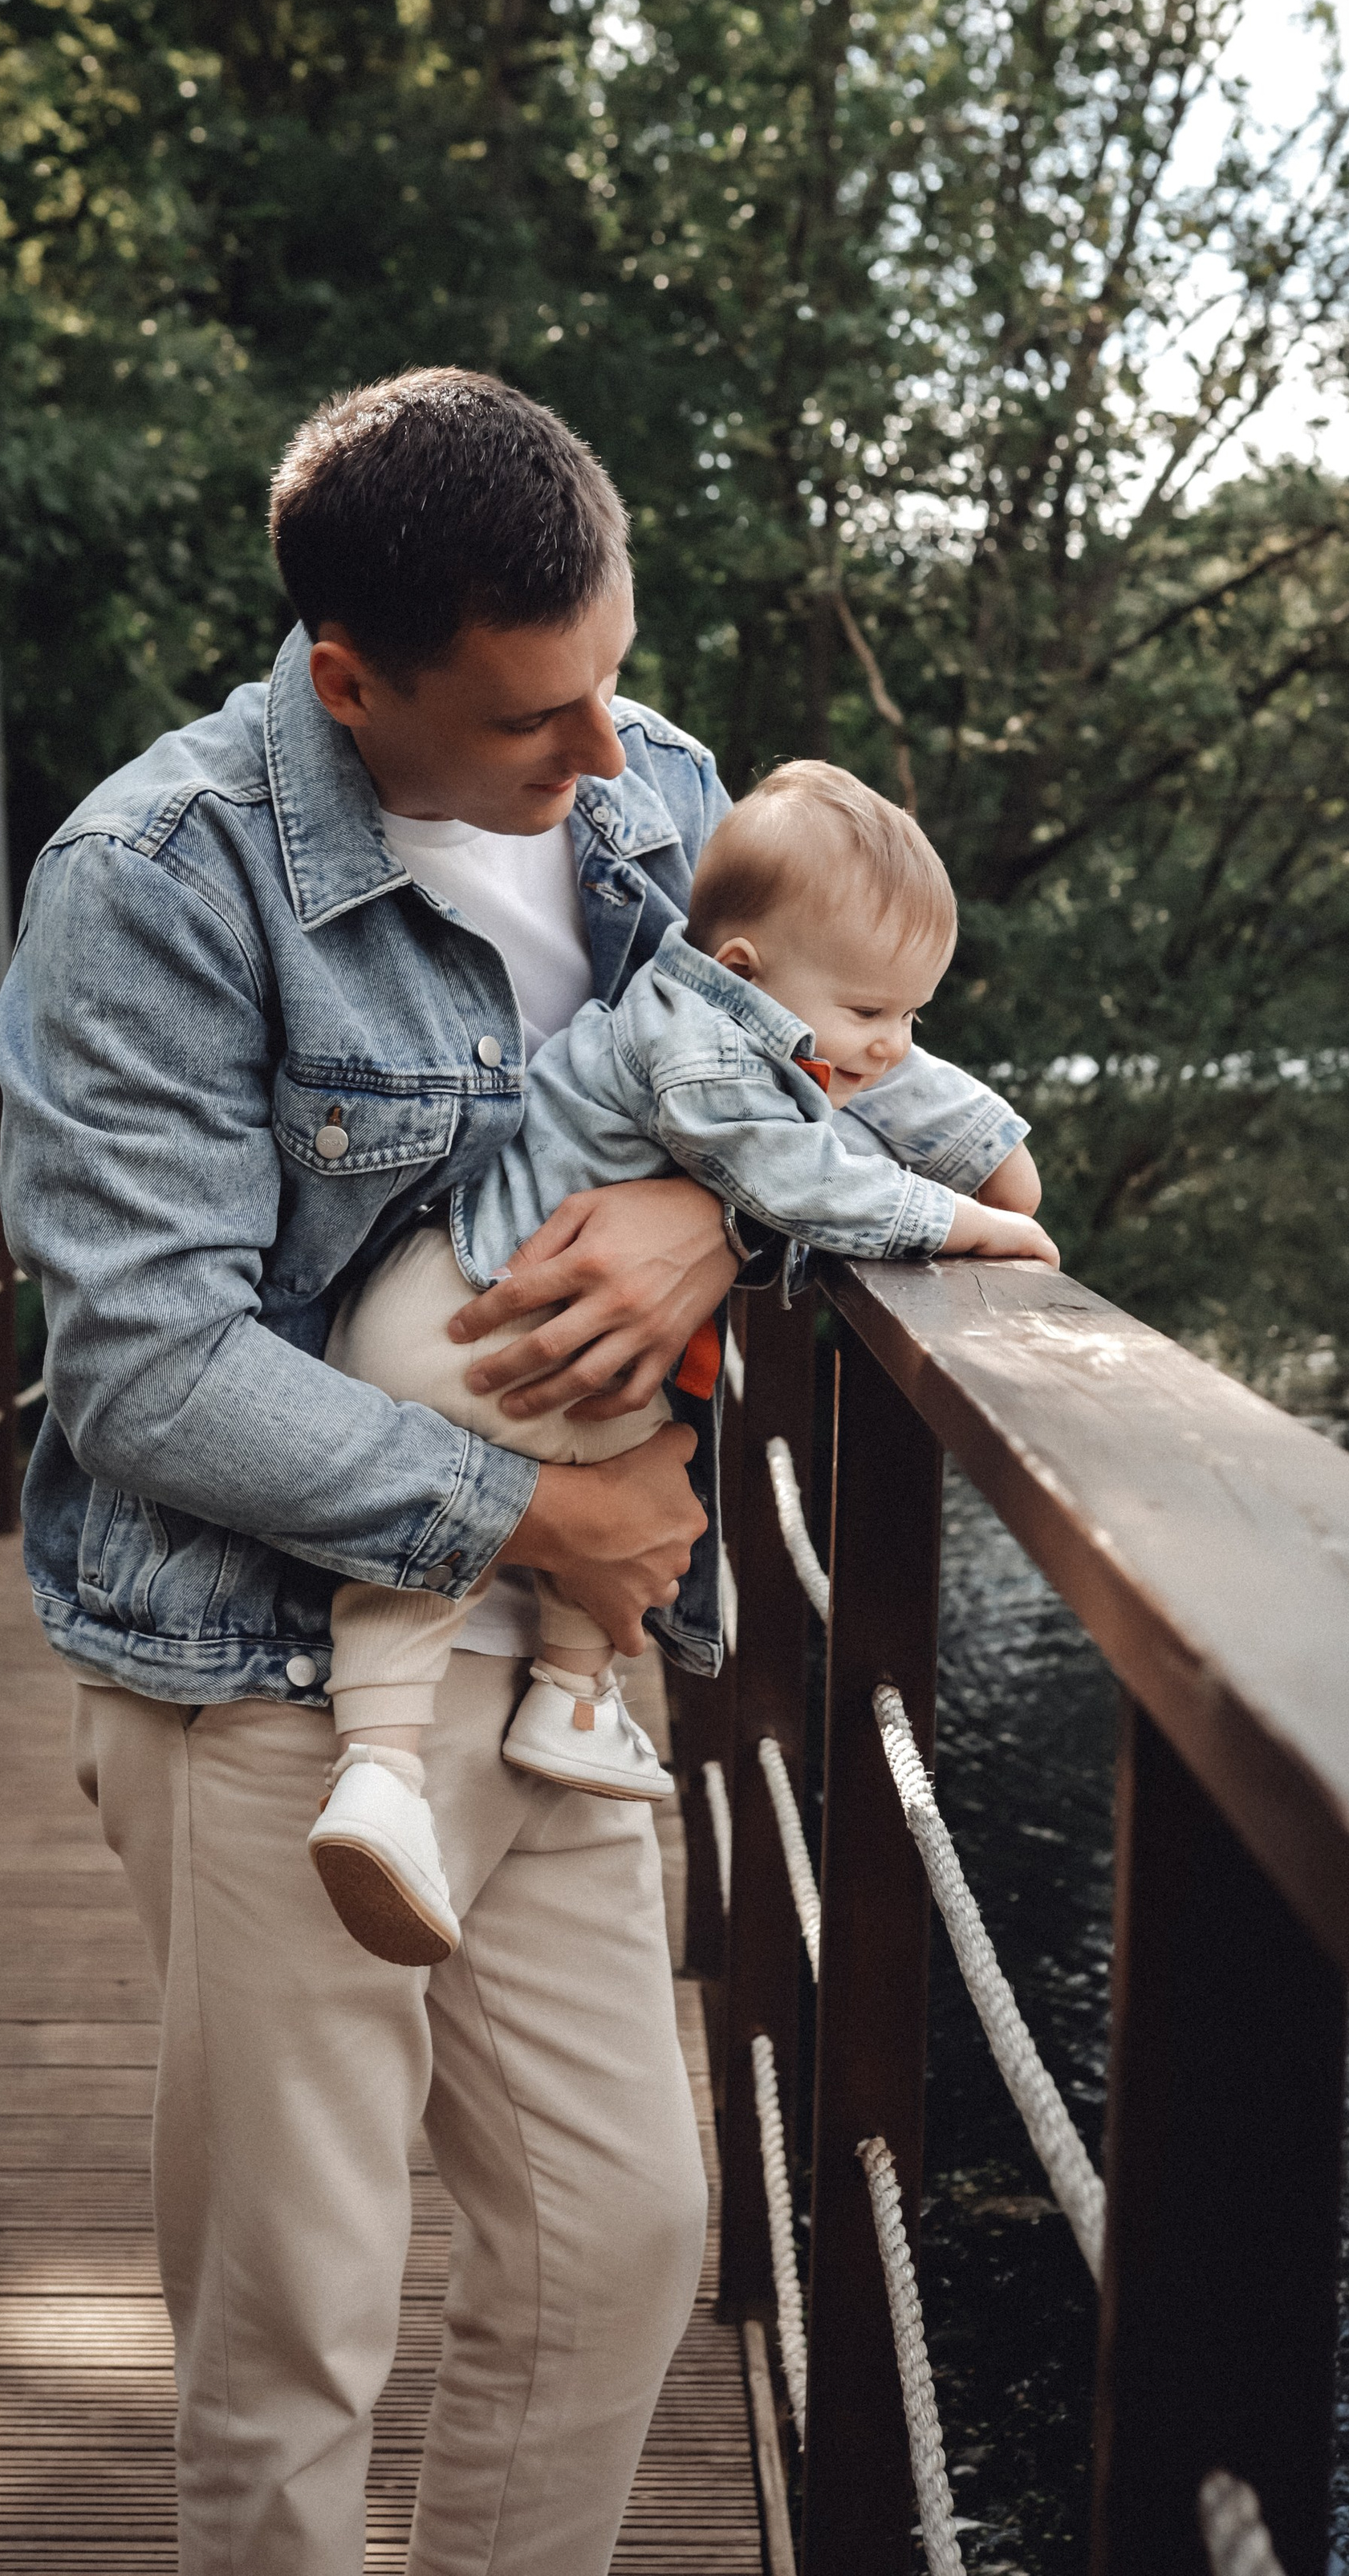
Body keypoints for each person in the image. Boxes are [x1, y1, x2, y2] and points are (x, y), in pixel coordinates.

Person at [0, 368, 743, 2576]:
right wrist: (530, 1513)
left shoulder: (663, 790)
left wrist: (722, 1213)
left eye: (614, 672)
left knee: (623, 2236)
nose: (607, 756)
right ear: (349, 678)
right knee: (296, 2326)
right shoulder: (154, 876)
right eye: (536, 719)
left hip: (567, 1670)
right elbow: (143, 1365)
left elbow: (808, 1078)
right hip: (256, 1675)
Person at [309, 756, 1054, 1965]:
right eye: (873, 1015)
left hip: (439, 1319)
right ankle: (568, 1688)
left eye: (913, 1015)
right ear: (752, 972)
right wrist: (974, 1227)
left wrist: (969, 1129)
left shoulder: (747, 1006)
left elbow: (889, 1085)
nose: (889, 1047)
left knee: (418, 1567)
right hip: (493, 1329)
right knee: (652, 1455)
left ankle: (389, 1773)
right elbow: (801, 1176)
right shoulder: (702, 1045)